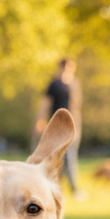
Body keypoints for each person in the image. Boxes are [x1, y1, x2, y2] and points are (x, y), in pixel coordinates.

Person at [35, 58, 85, 199]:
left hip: (74, 125)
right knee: (59, 158)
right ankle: (62, 189)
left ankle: (66, 189)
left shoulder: (75, 84)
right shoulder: (54, 85)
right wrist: (40, 120)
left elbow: (77, 106)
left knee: (70, 157)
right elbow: (46, 104)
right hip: (57, 126)